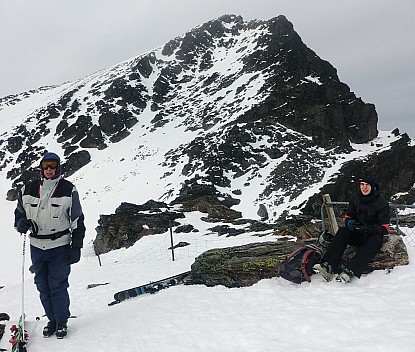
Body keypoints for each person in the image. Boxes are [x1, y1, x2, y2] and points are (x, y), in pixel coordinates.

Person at [14, 152, 86, 339]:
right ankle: (52, 320)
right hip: (36, 246)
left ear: (58, 167)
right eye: (46, 166)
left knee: (57, 285)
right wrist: (20, 223)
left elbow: (77, 220)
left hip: (59, 246)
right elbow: (19, 214)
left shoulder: (68, 189)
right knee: (42, 285)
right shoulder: (27, 189)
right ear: (41, 168)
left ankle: (61, 321)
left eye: (53, 165)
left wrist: (76, 247)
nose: (49, 169)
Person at [314, 178, 390, 283]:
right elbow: (348, 216)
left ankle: (351, 270)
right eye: (362, 184)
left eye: (367, 185)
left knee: (376, 240)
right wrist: (349, 222)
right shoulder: (356, 198)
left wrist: (367, 228)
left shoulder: (381, 203)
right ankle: (328, 266)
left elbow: (385, 228)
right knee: (343, 231)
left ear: (373, 186)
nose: (364, 187)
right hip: (357, 232)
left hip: (371, 235)